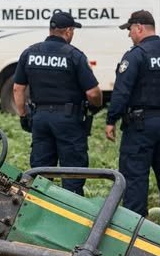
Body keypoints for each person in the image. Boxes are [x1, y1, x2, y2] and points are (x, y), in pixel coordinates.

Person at [105, 10, 160, 231]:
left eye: (129, 30)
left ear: (139, 28)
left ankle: (135, 226)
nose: (129, 35)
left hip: (140, 125)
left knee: (135, 174)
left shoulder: (136, 55)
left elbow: (122, 91)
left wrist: (111, 119)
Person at [13, 11, 102, 196]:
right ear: (68, 31)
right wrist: (95, 106)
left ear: (51, 30)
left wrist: (23, 115)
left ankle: (39, 215)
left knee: (40, 176)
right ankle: (72, 219)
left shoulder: (30, 53)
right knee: (72, 174)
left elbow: (17, 89)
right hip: (69, 120)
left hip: (40, 119)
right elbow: (93, 92)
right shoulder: (74, 56)